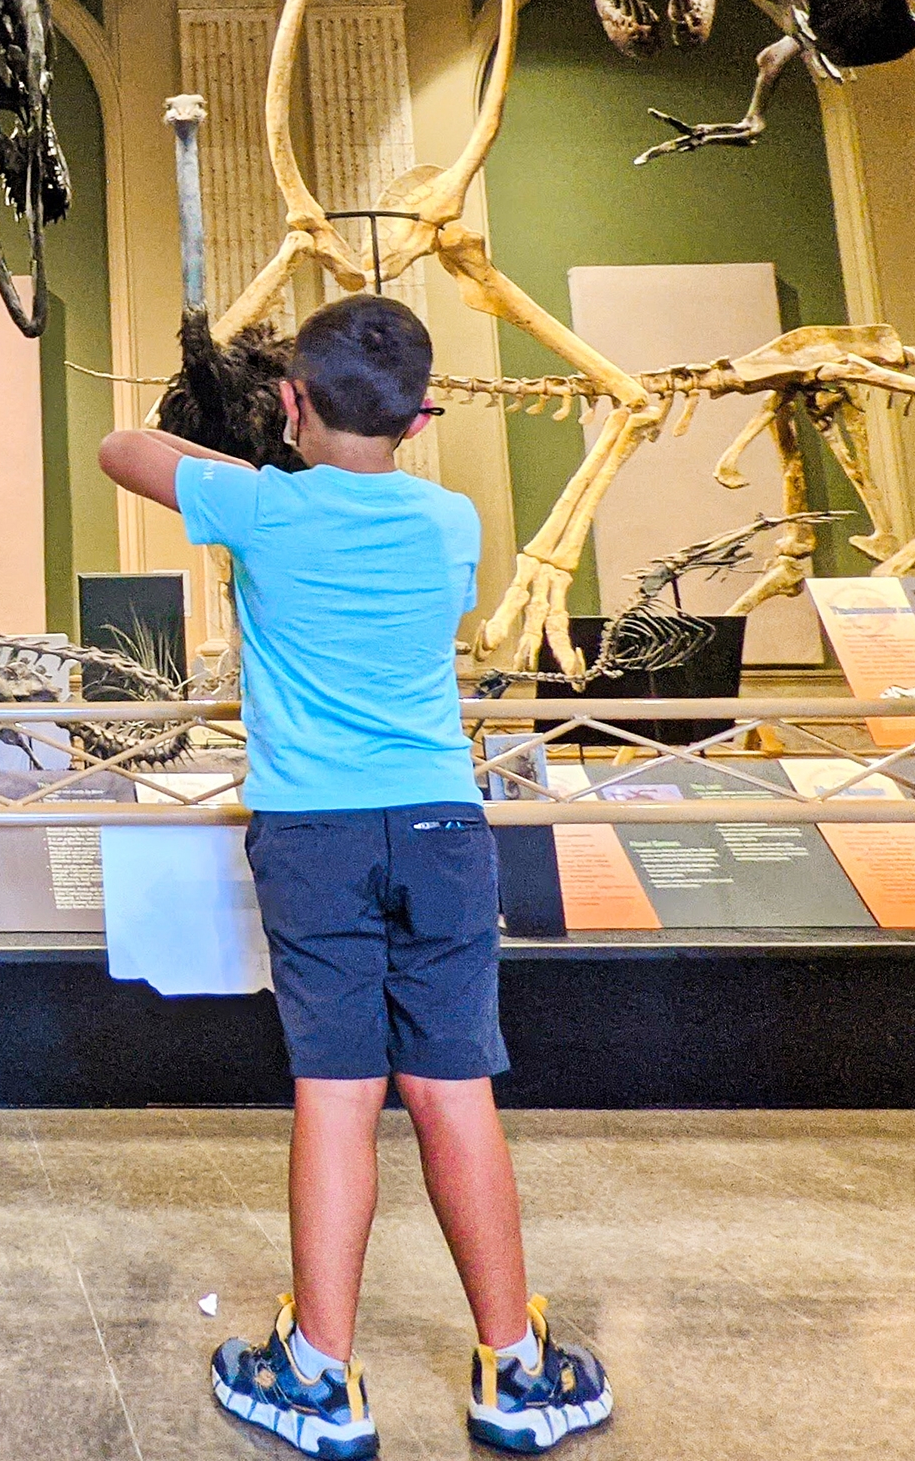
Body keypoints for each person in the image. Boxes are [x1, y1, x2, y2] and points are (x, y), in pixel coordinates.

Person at [99, 295, 611, 1459]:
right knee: (453, 1085)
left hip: (315, 834)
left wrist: (233, 436)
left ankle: (322, 1372)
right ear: (420, 419)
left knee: (337, 1089)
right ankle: (516, 1371)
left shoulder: (259, 504)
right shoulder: (452, 520)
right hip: (440, 822)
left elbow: (122, 449)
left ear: (290, 404)